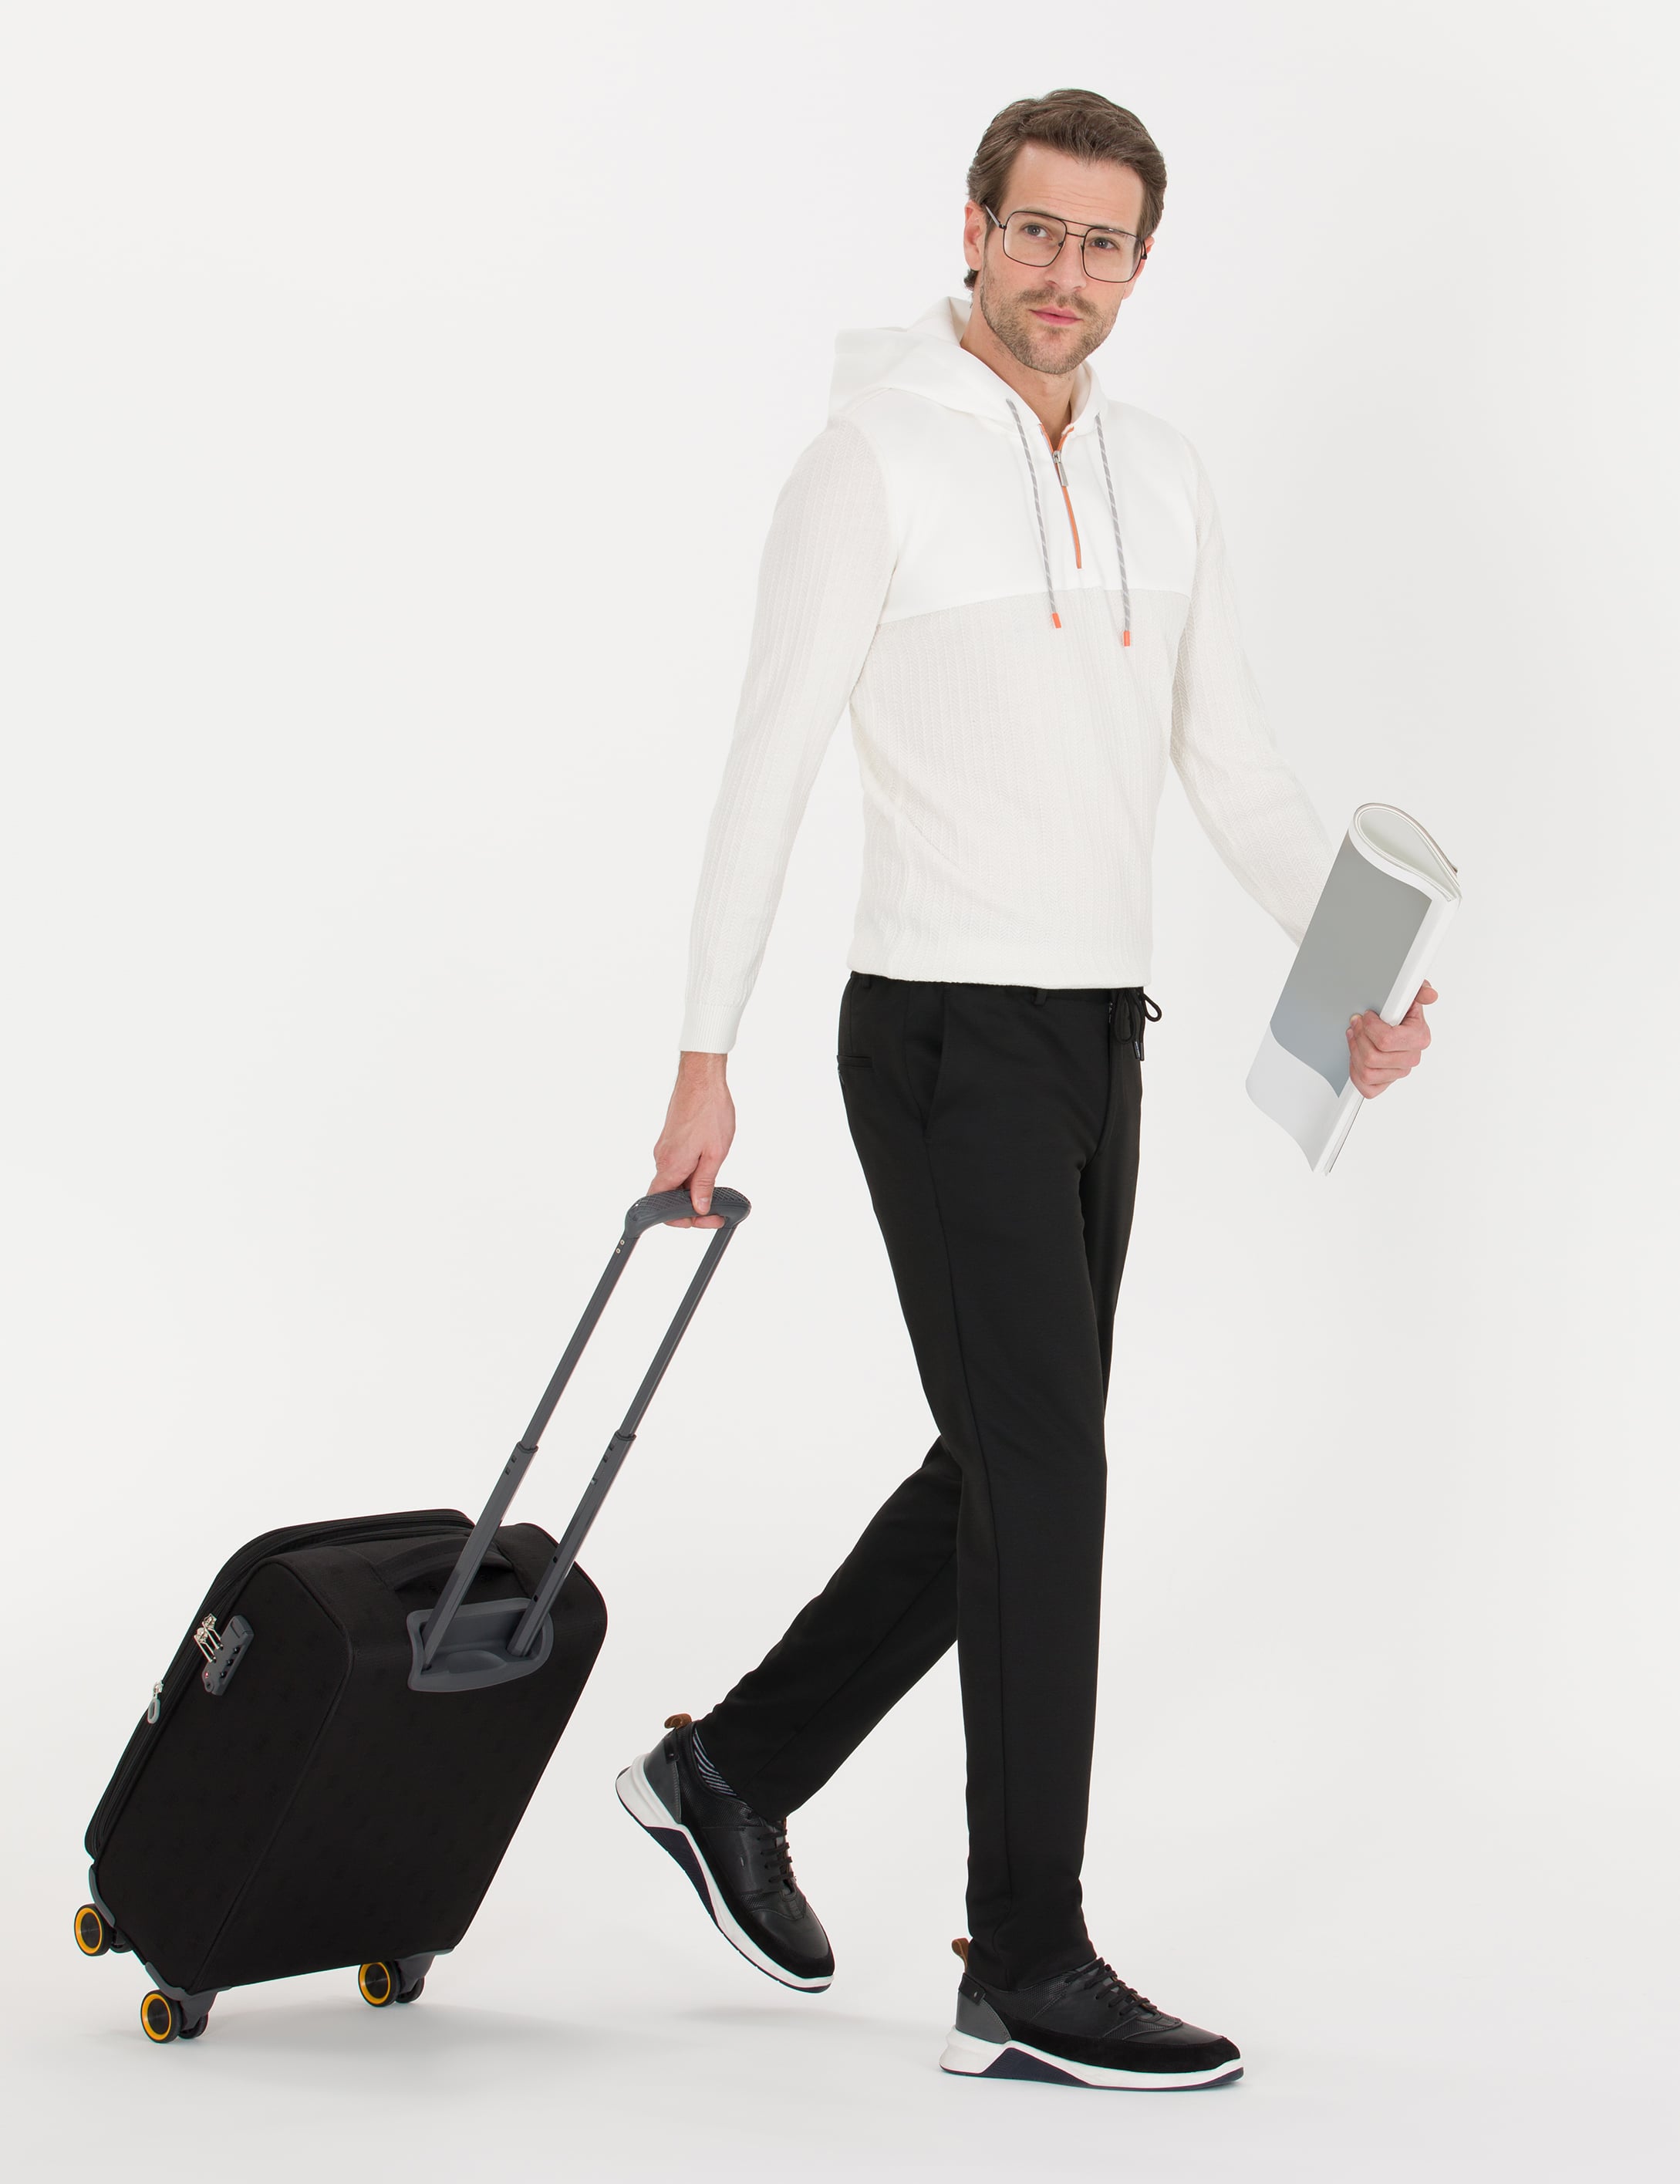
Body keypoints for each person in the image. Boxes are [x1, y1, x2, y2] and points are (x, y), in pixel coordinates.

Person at [613, 87, 1436, 2092]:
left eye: (1104, 244)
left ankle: (731, 1774)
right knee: (1050, 1476)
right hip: (938, 1035)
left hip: (1094, 1036)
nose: (1066, 275)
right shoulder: (872, 458)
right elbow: (765, 760)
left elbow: (1233, 763)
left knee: (1007, 1458)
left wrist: (1347, 991)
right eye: (1037, 232)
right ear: (972, 228)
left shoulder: (1164, 474)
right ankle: (1028, 1961)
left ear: (1142, 264)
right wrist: (703, 1055)